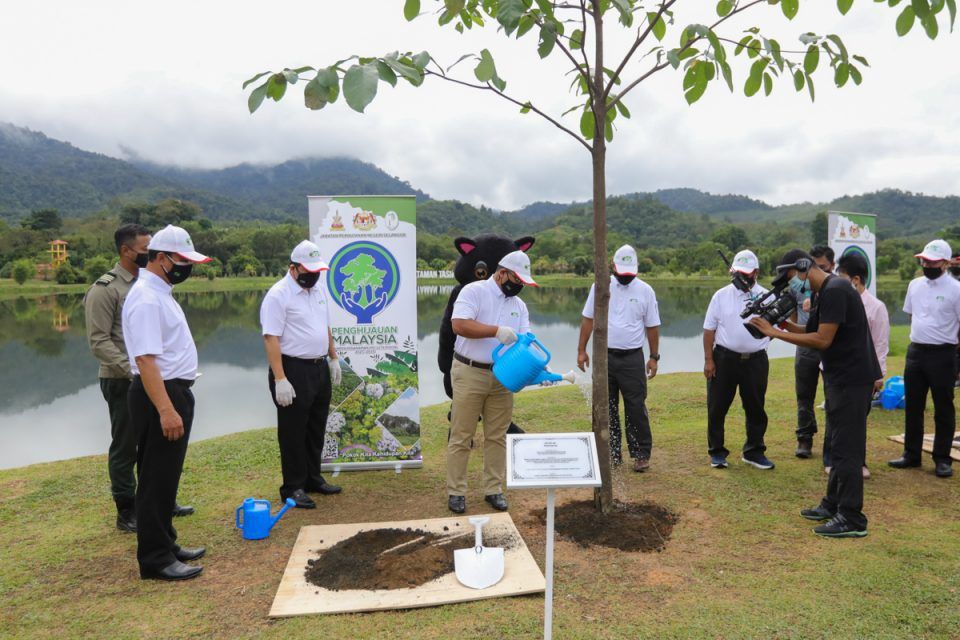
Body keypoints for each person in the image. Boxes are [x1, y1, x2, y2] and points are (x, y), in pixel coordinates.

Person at [750, 249, 881, 538]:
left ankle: (851, 517)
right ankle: (832, 503)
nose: (793, 284)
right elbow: (810, 328)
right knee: (835, 444)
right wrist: (779, 323)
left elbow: (822, 339)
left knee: (847, 449)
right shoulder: (826, 291)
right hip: (839, 378)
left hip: (852, 379)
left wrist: (773, 333)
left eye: (792, 277)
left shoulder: (836, 289)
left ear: (804, 267)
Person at [83, 223, 194, 534]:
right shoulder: (106, 289)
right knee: (126, 444)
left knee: (153, 447)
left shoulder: (153, 285)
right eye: (145, 251)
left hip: (149, 376)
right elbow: (99, 341)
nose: (148, 255)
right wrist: (133, 372)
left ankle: (159, 501)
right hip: (123, 378)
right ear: (126, 251)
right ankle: (127, 509)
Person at [123, 224, 210, 580]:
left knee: (165, 476)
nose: (186, 267)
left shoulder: (160, 291)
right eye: (181, 260)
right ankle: (155, 558)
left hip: (173, 391)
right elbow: (145, 360)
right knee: (156, 478)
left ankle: (166, 541)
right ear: (160, 258)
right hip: (160, 394)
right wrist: (166, 409)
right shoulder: (145, 297)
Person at [447, 250, 535, 514]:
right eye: (516, 279)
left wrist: (535, 367)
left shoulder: (519, 306)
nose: (518, 285)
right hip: (469, 371)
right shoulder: (474, 292)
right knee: (462, 434)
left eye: (522, 282)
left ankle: (493, 489)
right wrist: (495, 331)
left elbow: (525, 342)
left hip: (502, 375)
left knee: (497, 435)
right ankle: (456, 491)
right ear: (502, 272)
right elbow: (459, 325)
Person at [260, 240, 342, 510]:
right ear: (293, 268)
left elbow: (325, 326)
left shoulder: (318, 290)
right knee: (293, 431)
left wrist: (333, 358)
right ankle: (292, 487)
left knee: (316, 427)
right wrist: (280, 378)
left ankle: (312, 478)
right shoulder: (278, 295)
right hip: (292, 369)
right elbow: (271, 338)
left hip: (319, 368)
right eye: (308, 270)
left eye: (317, 270)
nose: (313, 275)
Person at [576, 245, 661, 472]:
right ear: (613, 267)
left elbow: (652, 326)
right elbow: (588, 319)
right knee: (606, 406)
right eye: (621, 272)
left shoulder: (645, 291)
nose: (625, 277)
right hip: (605, 358)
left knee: (635, 406)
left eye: (629, 273)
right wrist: (581, 350)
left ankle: (641, 454)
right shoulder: (600, 287)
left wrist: (653, 357)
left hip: (632, 358)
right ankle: (611, 453)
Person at [888, 239, 960, 478]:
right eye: (924, 260)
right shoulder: (915, 284)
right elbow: (913, 316)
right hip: (916, 351)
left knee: (943, 407)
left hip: (944, 353)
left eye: (932, 261)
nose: (926, 264)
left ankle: (942, 457)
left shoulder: (956, 289)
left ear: (946, 263)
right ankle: (911, 454)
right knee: (914, 405)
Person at [702, 249, 774, 470]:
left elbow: (778, 327)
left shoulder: (767, 296)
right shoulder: (721, 295)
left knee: (755, 407)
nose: (743, 277)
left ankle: (753, 451)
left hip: (756, 361)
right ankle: (717, 452)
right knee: (717, 407)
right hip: (724, 359)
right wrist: (708, 360)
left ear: (756, 273)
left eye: (748, 273)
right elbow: (708, 330)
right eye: (739, 272)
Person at [834, 253, 889, 480]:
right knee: (836, 420)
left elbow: (881, 343)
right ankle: (835, 462)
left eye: (842, 277)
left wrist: (878, 375)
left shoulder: (876, 307)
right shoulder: (839, 301)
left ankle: (859, 463)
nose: (838, 281)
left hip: (864, 375)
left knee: (857, 423)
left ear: (856, 279)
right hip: (840, 373)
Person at [792, 245, 835, 459]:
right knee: (804, 395)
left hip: (829, 348)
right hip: (805, 347)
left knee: (833, 396)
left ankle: (832, 441)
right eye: (814, 267)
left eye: (823, 267)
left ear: (832, 266)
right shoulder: (798, 284)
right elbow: (791, 314)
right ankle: (804, 439)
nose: (817, 272)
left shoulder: (836, 288)